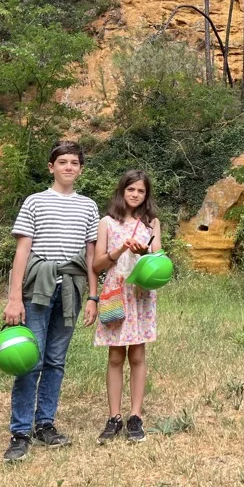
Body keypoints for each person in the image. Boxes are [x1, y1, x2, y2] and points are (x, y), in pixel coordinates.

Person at [1, 141, 99, 463]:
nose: (69, 167)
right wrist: (15, 299)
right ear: (51, 167)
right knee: (30, 360)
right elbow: (22, 252)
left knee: (56, 361)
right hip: (36, 291)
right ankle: (20, 431)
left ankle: (45, 424)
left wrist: (93, 297)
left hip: (71, 289)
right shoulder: (34, 203)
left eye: (74, 162)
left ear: (81, 169)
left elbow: (90, 256)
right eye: (62, 162)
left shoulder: (88, 207)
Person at [92, 169, 161, 443]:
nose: (135, 195)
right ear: (122, 191)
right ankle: (113, 417)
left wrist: (144, 252)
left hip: (141, 293)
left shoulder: (151, 223)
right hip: (116, 291)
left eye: (141, 191)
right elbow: (97, 264)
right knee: (115, 357)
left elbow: (160, 260)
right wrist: (120, 250)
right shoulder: (107, 223)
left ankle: (135, 416)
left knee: (138, 356)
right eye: (131, 189)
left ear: (146, 195)